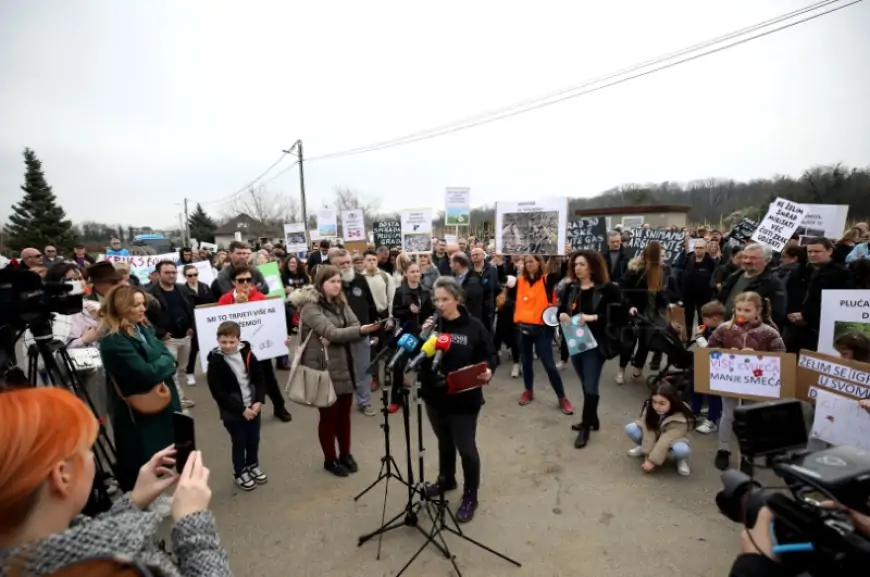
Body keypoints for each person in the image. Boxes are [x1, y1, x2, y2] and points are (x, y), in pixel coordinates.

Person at [0, 387, 230, 577]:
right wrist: (193, 525)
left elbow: (85, 539)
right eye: (86, 449)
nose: (92, 457)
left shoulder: (22, 557)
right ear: (62, 476)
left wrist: (134, 500)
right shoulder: (115, 569)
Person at [288, 266, 382, 477]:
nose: (337, 285)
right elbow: (334, 332)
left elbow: (351, 324)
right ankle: (330, 459)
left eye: (339, 281)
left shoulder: (340, 303)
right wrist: (356, 331)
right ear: (321, 283)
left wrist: (347, 332)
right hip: (323, 367)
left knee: (344, 415)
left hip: (344, 364)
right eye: (332, 281)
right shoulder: (310, 307)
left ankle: (345, 454)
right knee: (329, 416)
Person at [418, 276, 495, 523]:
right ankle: (446, 479)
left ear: (458, 299)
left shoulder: (473, 326)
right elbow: (419, 357)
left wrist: (488, 370)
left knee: (466, 448)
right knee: (444, 442)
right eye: (436, 300)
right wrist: (422, 336)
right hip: (435, 397)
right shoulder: (432, 325)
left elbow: (490, 355)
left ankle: (471, 495)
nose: (439, 304)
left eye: (445, 299)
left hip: (464, 399)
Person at [98, 285, 181, 492]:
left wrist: (162, 362)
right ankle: (144, 495)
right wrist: (165, 363)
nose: (143, 308)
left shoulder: (142, 327)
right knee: (143, 454)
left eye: (143, 303)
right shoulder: (114, 340)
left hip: (159, 397)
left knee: (163, 447)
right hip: (137, 406)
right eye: (136, 305)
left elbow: (167, 355)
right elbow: (147, 372)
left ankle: (155, 490)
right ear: (121, 307)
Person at [709, 291, 786, 471]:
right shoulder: (724, 329)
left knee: (751, 417)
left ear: (757, 311)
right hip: (730, 379)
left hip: (755, 383)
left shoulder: (769, 332)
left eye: (747, 310)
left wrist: (758, 355)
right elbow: (711, 349)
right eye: (739, 309)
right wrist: (727, 353)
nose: (742, 313)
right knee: (727, 415)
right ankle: (723, 449)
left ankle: (747, 456)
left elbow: (780, 355)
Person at [558, 250, 623, 448]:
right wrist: (562, 314)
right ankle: (592, 419)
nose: (578, 268)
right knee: (586, 383)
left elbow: (619, 316)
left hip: (596, 344)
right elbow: (561, 308)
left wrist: (592, 317)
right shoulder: (571, 287)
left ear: (593, 266)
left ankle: (586, 427)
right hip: (576, 341)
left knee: (591, 384)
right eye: (575, 264)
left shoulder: (608, 289)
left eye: (582, 264)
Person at [216, 265, 292, 422]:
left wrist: (280, 337)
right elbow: (220, 323)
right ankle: (244, 410)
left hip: (260, 349)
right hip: (237, 349)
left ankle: (280, 407)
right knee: (242, 381)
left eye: (248, 280)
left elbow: (270, 321)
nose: (245, 283)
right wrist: (235, 305)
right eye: (241, 280)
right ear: (233, 282)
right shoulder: (225, 299)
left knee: (269, 379)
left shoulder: (259, 297)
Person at [206, 321, 268, 491]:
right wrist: (241, 410)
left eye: (231, 342)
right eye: (223, 342)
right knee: (239, 442)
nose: (227, 346)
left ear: (239, 340)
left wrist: (258, 401)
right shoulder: (215, 362)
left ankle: (253, 465)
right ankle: (240, 472)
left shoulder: (247, 354)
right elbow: (218, 393)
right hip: (233, 411)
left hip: (252, 407)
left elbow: (259, 378)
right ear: (218, 341)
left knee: (253, 439)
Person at [514, 255, 572, 414]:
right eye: (526, 262)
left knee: (549, 365)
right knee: (526, 362)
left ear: (539, 263)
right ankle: (528, 390)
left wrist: (563, 256)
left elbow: (564, 274)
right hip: (523, 328)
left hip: (542, 330)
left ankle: (562, 397)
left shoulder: (548, 280)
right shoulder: (520, 281)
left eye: (531, 261)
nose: (528, 264)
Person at [144, 261, 196, 408]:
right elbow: (145, 319)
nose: (171, 275)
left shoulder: (182, 289)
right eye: (167, 272)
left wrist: (192, 327)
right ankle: (177, 400)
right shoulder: (150, 294)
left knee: (182, 369)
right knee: (171, 371)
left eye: (173, 272)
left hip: (186, 337)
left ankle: (180, 396)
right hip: (167, 340)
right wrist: (161, 333)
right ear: (158, 274)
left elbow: (192, 309)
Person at [389, 260, 435, 413]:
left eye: (417, 271)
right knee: (398, 365)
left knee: (426, 364)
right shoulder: (400, 291)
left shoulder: (426, 292)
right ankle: (396, 399)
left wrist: (429, 321)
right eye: (412, 272)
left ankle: (426, 395)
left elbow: (430, 312)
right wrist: (409, 310)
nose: (415, 274)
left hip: (422, 334)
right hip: (406, 333)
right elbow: (395, 312)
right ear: (406, 274)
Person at [625, 383, 693, 476]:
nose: (656, 406)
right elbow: (649, 432)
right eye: (654, 402)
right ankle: (643, 448)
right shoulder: (649, 407)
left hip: (673, 440)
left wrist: (652, 461)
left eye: (662, 403)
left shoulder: (682, 414)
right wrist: (647, 455)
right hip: (656, 436)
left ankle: (680, 460)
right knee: (631, 428)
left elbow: (666, 439)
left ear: (673, 401)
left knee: (681, 450)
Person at [690, 301, 726, 434]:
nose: (703, 322)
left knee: (713, 394)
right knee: (695, 386)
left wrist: (698, 336)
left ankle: (712, 420)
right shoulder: (711, 328)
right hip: (705, 364)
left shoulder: (723, 331)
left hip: (716, 366)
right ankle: (695, 411)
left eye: (705, 319)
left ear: (715, 318)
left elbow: (709, 349)